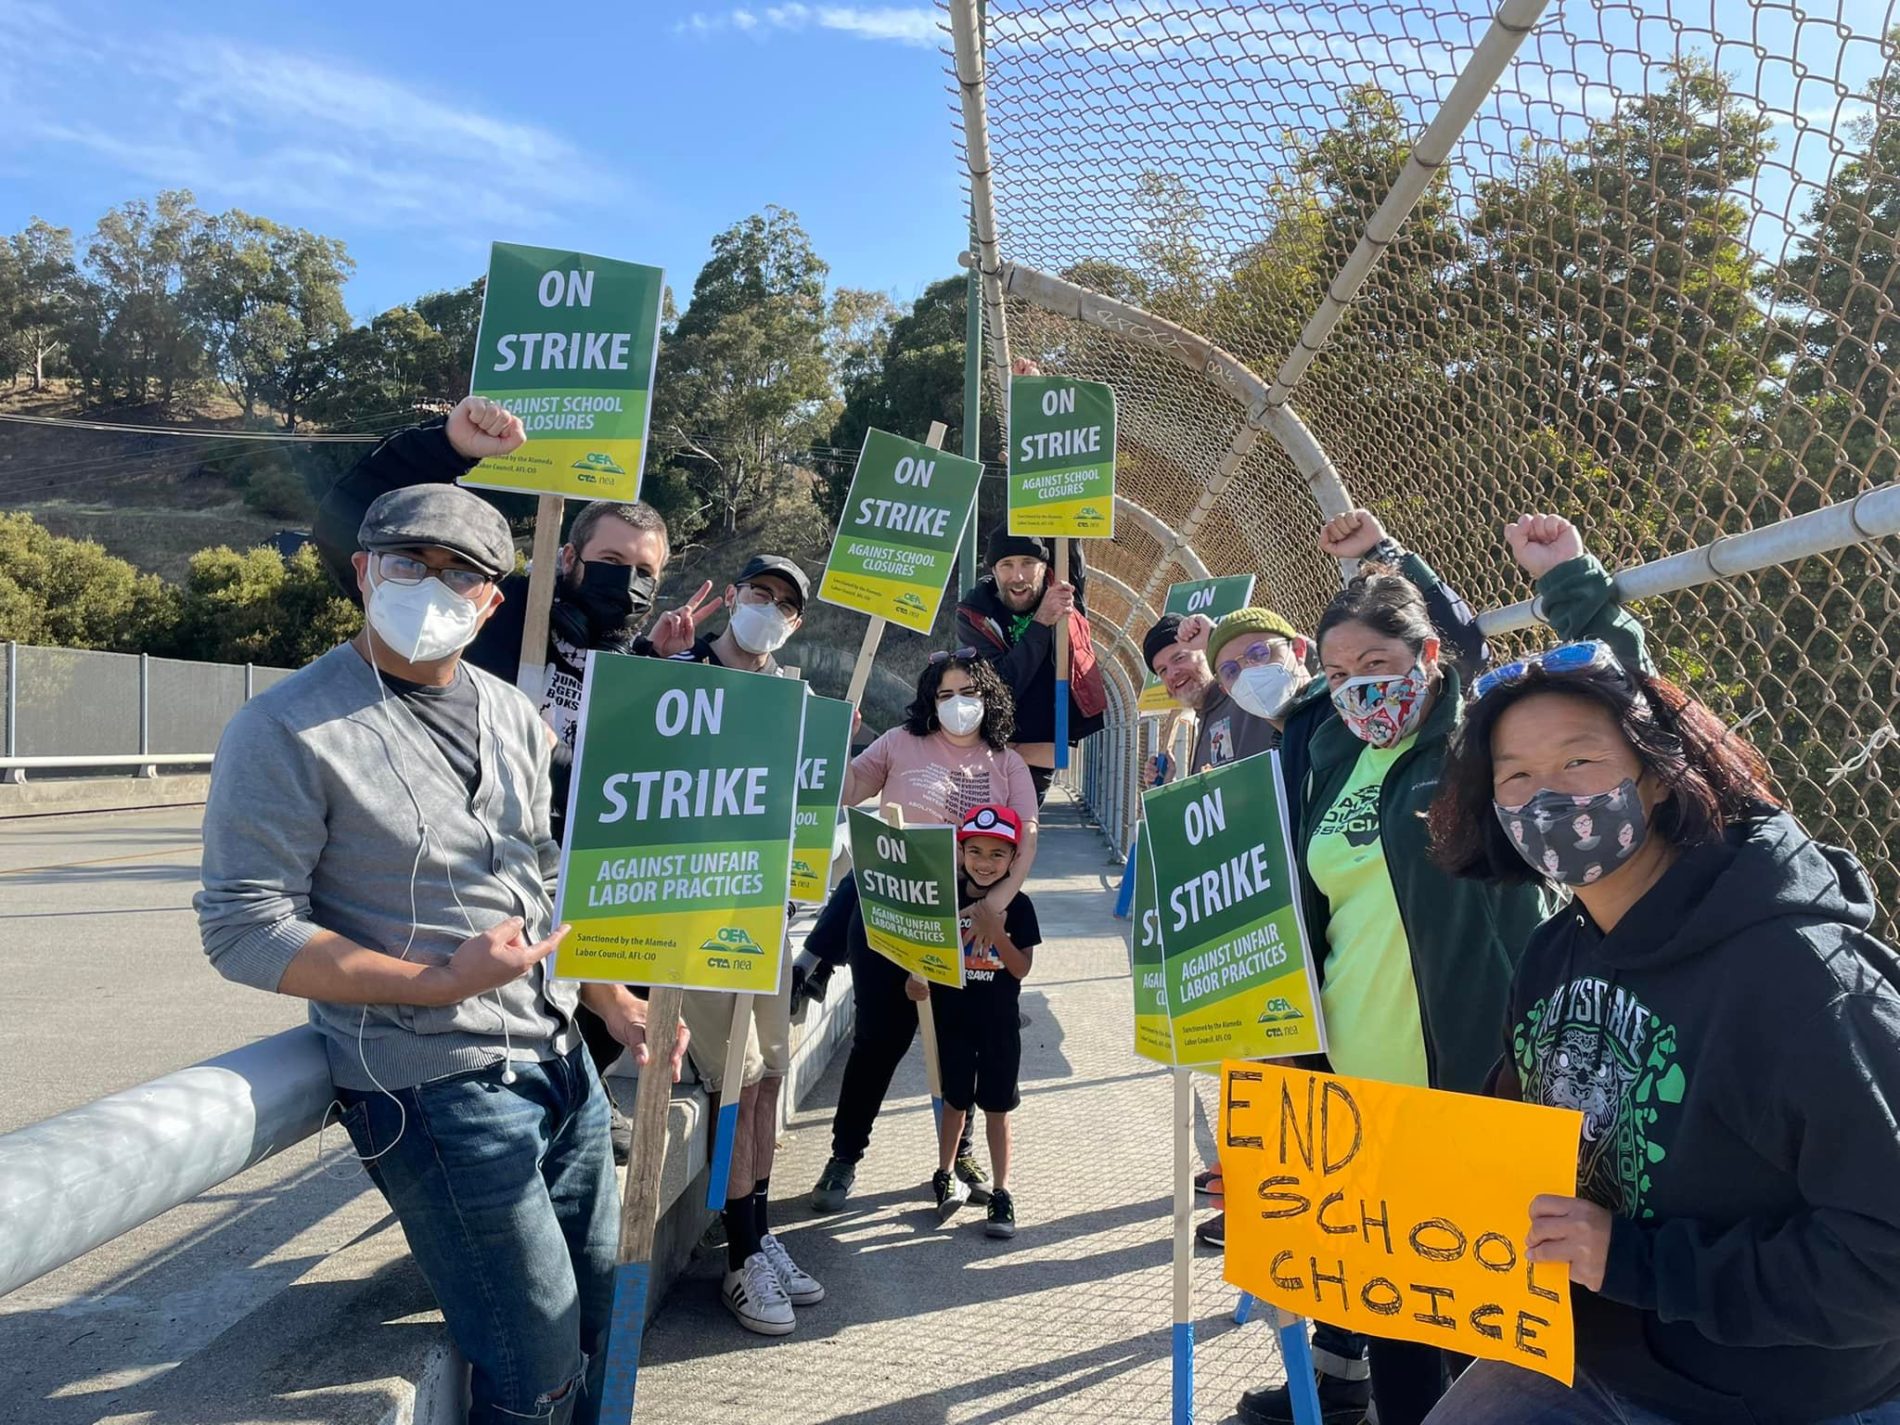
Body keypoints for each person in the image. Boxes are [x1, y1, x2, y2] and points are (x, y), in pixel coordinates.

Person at [196, 484, 687, 1425]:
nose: (431, 584)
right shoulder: (285, 727)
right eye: (408, 562)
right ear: (363, 571)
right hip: (436, 1088)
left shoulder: (511, 714)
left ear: (492, 601)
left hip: (561, 1059)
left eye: (460, 572)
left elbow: (539, 877)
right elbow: (244, 926)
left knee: (599, 1318)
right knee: (534, 1365)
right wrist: (435, 980)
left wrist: (611, 998)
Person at [1421, 643, 1900, 1425]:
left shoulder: (1802, 977)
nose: (1547, 798)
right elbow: (1516, 1138)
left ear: (1658, 769)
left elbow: (1887, 1260)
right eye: (1516, 776)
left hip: (1778, 1393)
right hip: (1591, 1352)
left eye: (1580, 759)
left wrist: (1634, 1261)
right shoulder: (1551, 952)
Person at [1278, 511, 1647, 1425]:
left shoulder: (1479, 748)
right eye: (1336, 675)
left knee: (1488, 1347)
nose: (1357, 691)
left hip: (1474, 1089)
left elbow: (1620, 688)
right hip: (1360, 1098)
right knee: (1396, 1328)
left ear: (1430, 654)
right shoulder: (1332, 756)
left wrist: (1569, 580)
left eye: (1373, 667)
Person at [314, 395, 722, 1162]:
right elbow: (345, 530)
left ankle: (578, 1092)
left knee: (615, 973)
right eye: (609, 564)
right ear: (566, 559)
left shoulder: (625, 661)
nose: (626, 585)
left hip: (565, 880)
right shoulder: (499, 616)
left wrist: (659, 669)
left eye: (644, 574)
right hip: (465, 883)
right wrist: (443, 448)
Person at [808, 652, 1041, 1212]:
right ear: (929, 699)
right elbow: (847, 790)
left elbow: (1027, 834)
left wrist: (996, 907)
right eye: (945, 694)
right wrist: (838, 740)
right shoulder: (898, 743)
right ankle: (844, 1157)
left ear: (987, 698)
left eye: (968, 692)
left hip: (968, 923)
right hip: (891, 911)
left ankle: (957, 1156)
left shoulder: (1005, 762)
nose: (957, 705)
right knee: (878, 1039)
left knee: (962, 1041)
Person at [666, 551, 824, 1335]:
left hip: (767, 916)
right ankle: (736, 1261)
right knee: (731, 1082)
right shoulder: (679, 673)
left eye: (785, 604)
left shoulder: (790, 696)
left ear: (796, 623)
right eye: (760, 592)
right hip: (699, 920)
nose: (769, 608)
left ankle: (758, 1234)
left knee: (763, 1080)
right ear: (733, 597)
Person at [911, 804, 1041, 1240]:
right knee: (954, 1103)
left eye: (997, 854)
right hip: (954, 1024)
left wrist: (995, 930)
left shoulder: (1019, 907)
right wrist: (917, 983)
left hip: (1000, 1027)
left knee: (997, 1110)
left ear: (1013, 859)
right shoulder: (946, 898)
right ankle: (945, 1172)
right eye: (976, 852)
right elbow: (926, 955)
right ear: (961, 852)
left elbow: (1021, 968)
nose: (985, 863)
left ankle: (1002, 1192)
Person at [956, 526, 1106, 803]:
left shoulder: (1063, 592)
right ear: (993, 569)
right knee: (983, 836)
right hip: (989, 756)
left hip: (1042, 754)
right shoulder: (974, 614)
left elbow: (1067, 528)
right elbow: (999, 685)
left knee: (1018, 835)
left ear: (1044, 566)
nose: (1018, 576)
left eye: (1028, 563)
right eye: (1006, 565)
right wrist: (1040, 622)